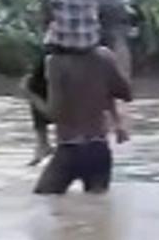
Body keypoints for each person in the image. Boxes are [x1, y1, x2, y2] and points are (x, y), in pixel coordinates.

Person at [26, 46, 130, 194]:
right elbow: (126, 94)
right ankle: (42, 144)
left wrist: (31, 95)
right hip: (99, 150)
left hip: (70, 151)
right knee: (97, 207)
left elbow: (54, 114)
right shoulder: (104, 56)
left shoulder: (55, 62)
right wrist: (118, 123)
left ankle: (42, 144)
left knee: (42, 199)